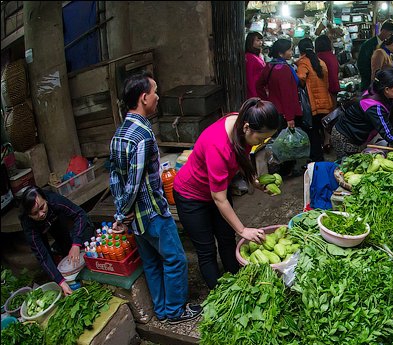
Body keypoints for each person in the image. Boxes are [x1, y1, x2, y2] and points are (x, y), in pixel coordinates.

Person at [109, 73, 199, 323]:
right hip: (152, 214)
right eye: (155, 91)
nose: (158, 96)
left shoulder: (119, 134)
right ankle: (175, 311)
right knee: (175, 260)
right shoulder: (142, 135)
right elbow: (135, 183)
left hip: (136, 220)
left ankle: (161, 310)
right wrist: (120, 214)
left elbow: (116, 178)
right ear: (143, 97)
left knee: (151, 263)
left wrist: (122, 212)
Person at [172, 98, 281, 289]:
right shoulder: (218, 145)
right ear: (247, 127)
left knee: (227, 238)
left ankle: (237, 282)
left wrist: (254, 181)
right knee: (206, 250)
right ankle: (220, 293)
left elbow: (242, 155)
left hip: (217, 189)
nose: (262, 142)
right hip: (192, 196)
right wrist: (243, 230)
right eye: (261, 139)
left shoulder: (241, 125)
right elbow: (219, 198)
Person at [18, 186, 91, 296]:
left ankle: (74, 274)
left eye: (42, 207)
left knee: (66, 242)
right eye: (35, 213)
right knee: (46, 254)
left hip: (54, 217)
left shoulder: (54, 200)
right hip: (37, 228)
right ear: (29, 214)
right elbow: (42, 256)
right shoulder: (28, 223)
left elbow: (80, 214)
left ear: (45, 200)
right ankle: (61, 279)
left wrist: (76, 244)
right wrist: (61, 282)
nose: (41, 214)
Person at [295, 38, 335, 163]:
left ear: (300, 50)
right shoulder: (320, 62)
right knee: (318, 130)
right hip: (325, 102)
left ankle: (317, 159)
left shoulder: (303, 63)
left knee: (312, 133)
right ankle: (319, 156)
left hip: (313, 105)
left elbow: (301, 78)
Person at [256, 38, 302, 130]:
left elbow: (258, 85)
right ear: (281, 53)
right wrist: (290, 118)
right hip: (284, 113)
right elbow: (286, 94)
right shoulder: (284, 70)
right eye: (289, 50)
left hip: (272, 109)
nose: (291, 52)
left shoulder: (269, 66)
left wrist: (266, 101)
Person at [357, 21, 393, 91]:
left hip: (384, 83)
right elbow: (361, 64)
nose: (390, 37)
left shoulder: (388, 45)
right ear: (384, 31)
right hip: (369, 82)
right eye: (390, 34)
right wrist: (372, 78)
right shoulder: (368, 44)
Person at [315, 34, 340, 105]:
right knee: (333, 111)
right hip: (334, 86)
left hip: (326, 88)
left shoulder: (319, 57)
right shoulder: (332, 56)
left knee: (328, 112)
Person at [245, 31, 266, 101]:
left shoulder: (257, 55)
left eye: (261, 40)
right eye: (257, 40)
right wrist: (253, 94)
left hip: (260, 87)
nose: (260, 42)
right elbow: (249, 77)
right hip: (254, 88)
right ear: (251, 42)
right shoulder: (249, 57)